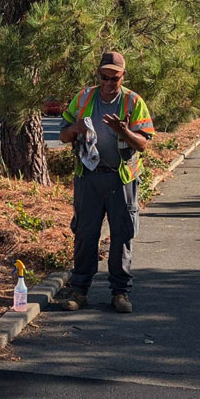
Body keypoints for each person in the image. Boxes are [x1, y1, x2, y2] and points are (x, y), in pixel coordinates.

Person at [57, 51, 155, 313]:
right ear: (98, 75)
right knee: (85, 234)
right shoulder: (83, 97)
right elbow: (63, 135)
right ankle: (79, 290)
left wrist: (124, 131)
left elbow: (143, 143)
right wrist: (75, 128)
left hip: (120, 178)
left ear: (124, 76)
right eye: (105, 77)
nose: (110, 83)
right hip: (88, 177)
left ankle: (120, 293)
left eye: (115, 78)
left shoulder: (133, 101)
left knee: (121, 235)